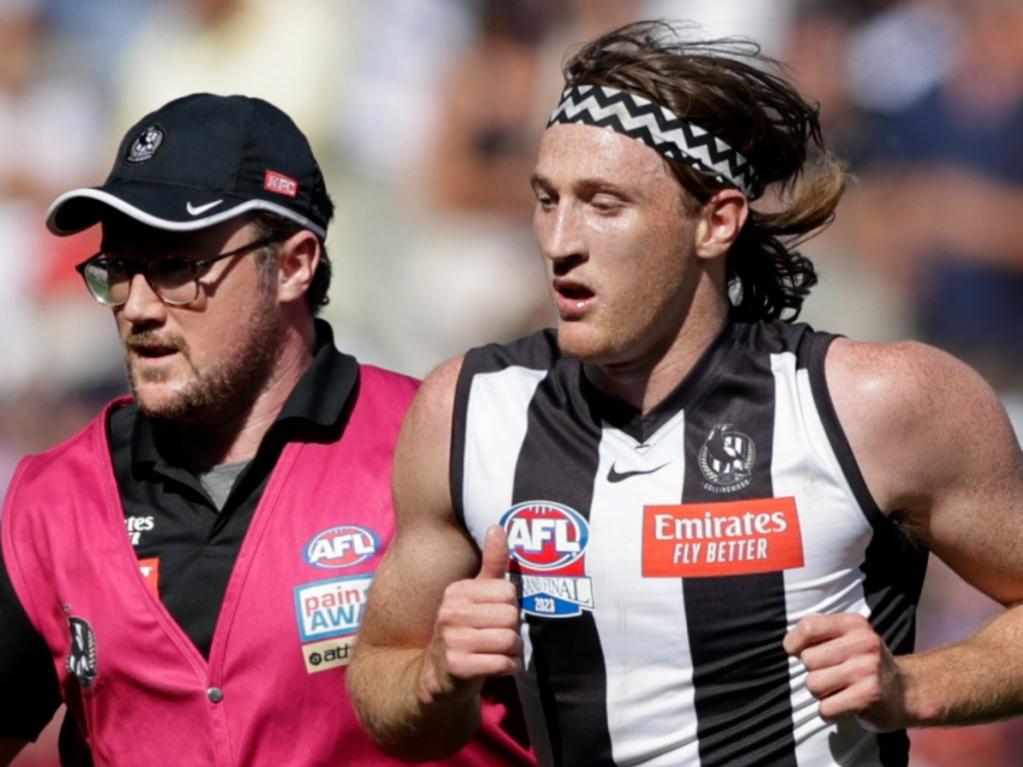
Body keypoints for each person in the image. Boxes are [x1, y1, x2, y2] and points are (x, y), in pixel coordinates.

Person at [346, 20, 1023, 767]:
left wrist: (915, 684)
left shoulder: (876, 402)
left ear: (716, 221)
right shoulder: (466, 411)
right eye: (547, 199)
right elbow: (385, 683)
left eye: (604, 204)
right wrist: (439, 671)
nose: (557, 240)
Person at [0, 93, 534, 767]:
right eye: (120, 270)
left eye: (174, 268)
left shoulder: (440, 447)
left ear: (293, 264)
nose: (136, 307)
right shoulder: (52, 501)